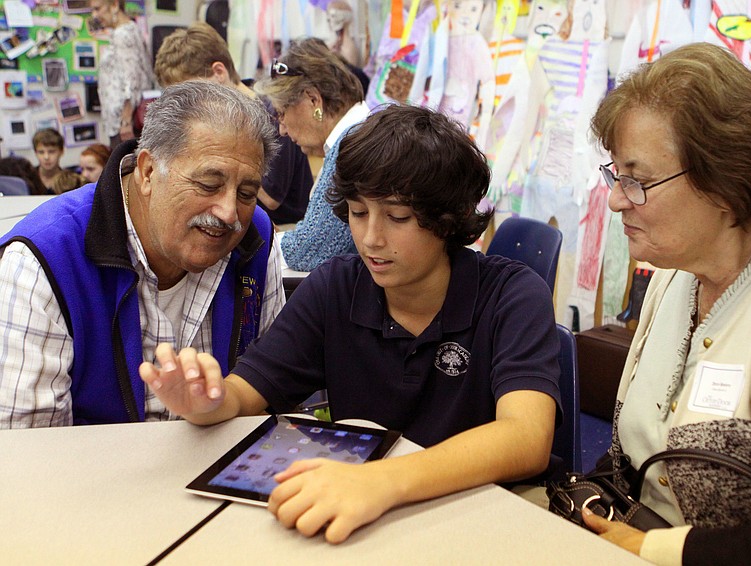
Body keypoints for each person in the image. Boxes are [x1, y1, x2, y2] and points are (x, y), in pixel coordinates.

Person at [139, 104, 561, 544]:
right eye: (358, 213)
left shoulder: (512, 295)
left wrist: (382, 481)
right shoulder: (335, 287)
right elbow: (248, 392)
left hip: (485, 516)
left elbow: (526, 437)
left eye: (397, 218)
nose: (371, 238)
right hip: (375, 518)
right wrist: (208, 400)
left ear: (447, 220)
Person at [582, 42, 751, 564]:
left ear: (728, 178)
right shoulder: (678, 270)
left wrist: (650, 548)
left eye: (637, 180)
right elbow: (629, 460)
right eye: (615, 175)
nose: (616, 198)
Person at [0, 81, 285, 428]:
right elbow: (27, 448)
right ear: (148, 171)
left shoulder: (254, 236)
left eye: (246, 192)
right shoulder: (43, 260)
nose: (229, 213)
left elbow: (274, 387)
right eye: (209, 185)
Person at [154, 22, 313, 228]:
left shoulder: (272, 111)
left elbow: (273, 198)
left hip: (286, 227)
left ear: (219, 72)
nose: (188, 105)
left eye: (193, 93)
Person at [254, 38, 368, 271]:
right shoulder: (361, 132)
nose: (282, 130)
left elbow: (309, 251)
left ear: (313, 100)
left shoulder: (349, 146)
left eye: (282, 113)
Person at [89, 0, 155, 148]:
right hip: (122, 121)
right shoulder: (129, 30)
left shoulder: (122, 34)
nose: (95, 15)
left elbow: (132, 80)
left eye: (98, 9)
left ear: (114, 5)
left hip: (124, 123)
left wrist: (125, 121)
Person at [32, 127, 65, 192]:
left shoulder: (68, 181)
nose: (46, 157)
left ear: (61, 152)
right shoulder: (28, 180)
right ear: (35, 153)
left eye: (51, 152)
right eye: (41, 152)